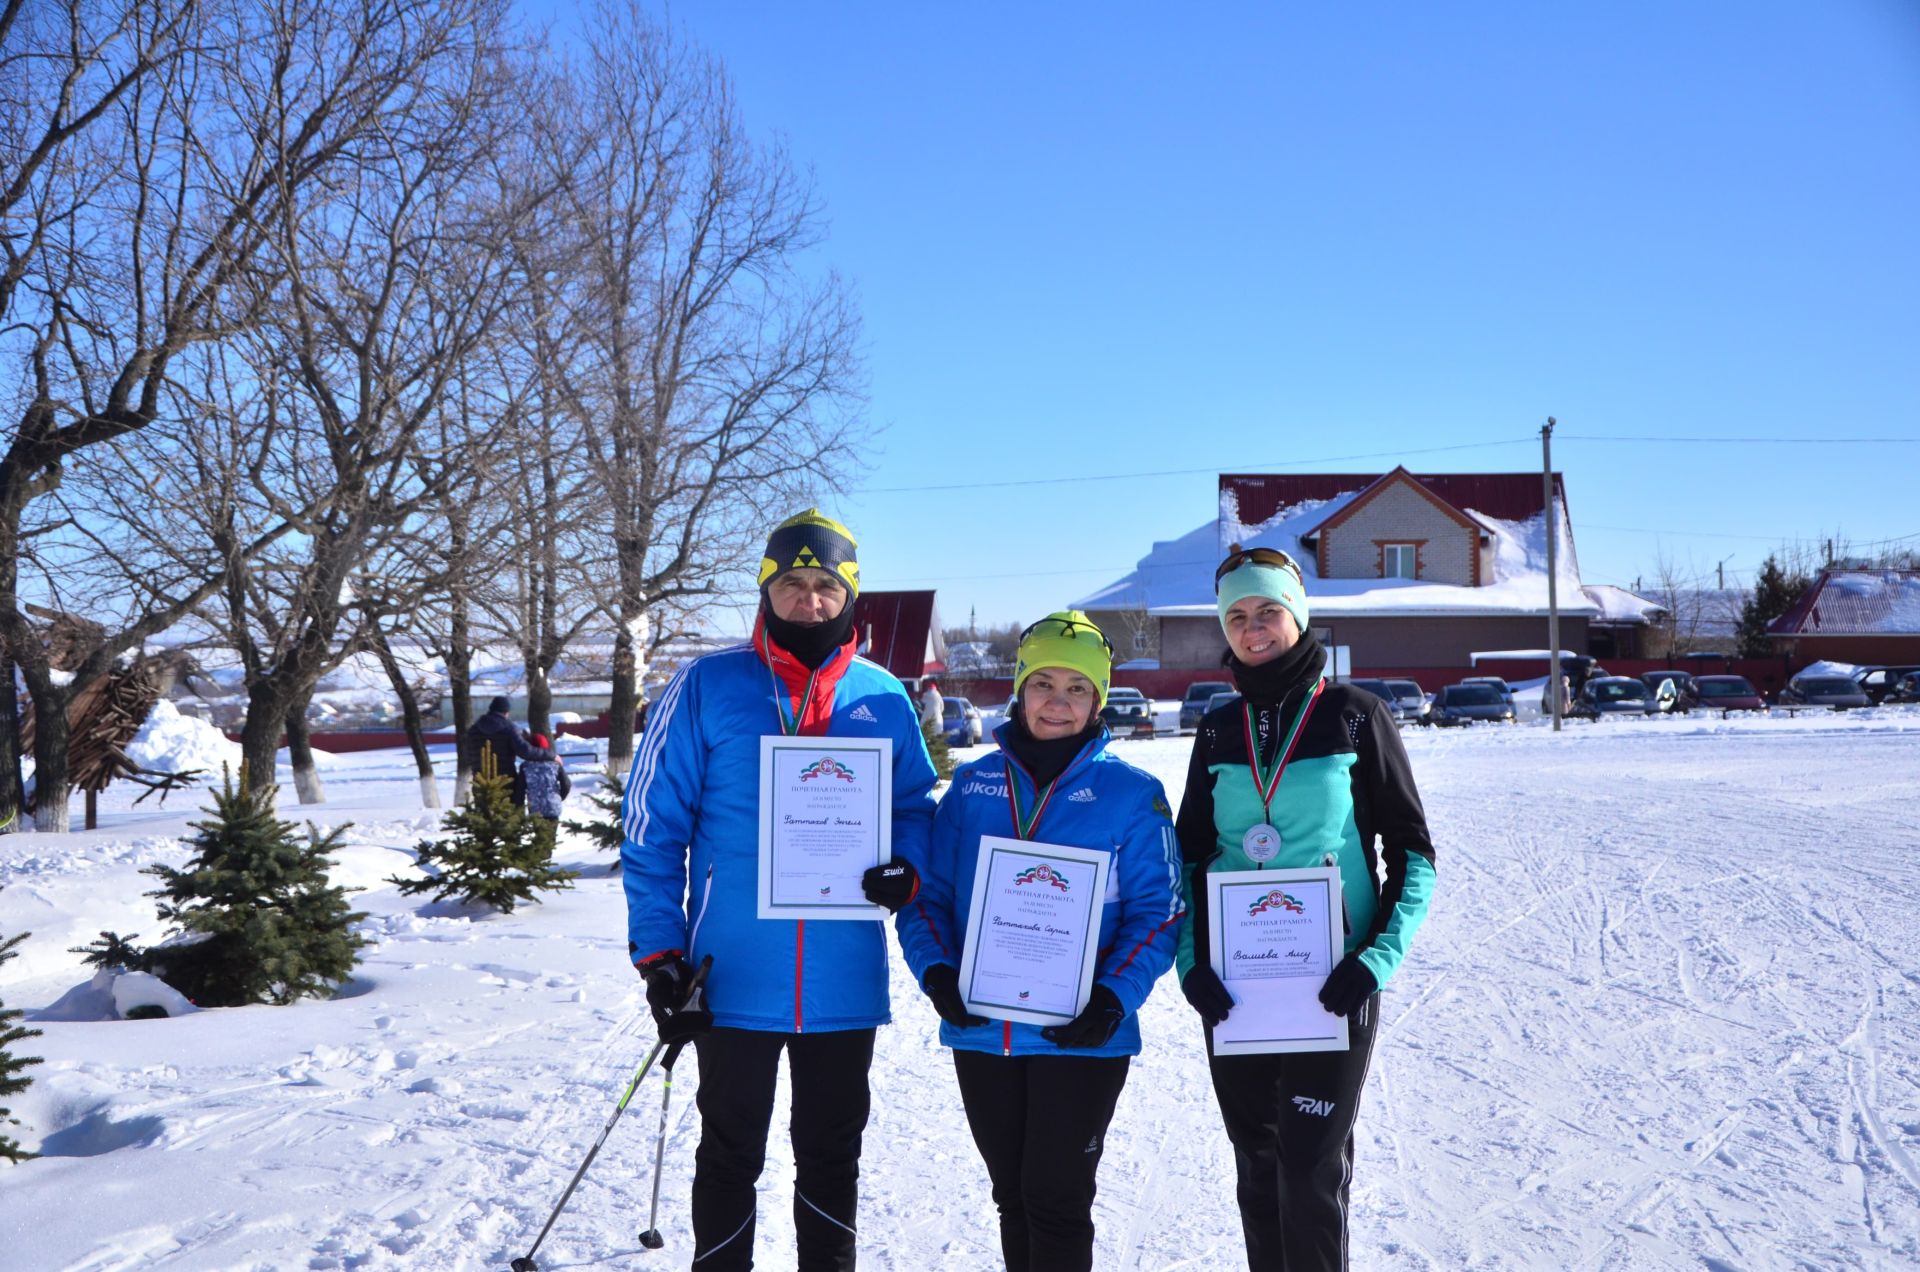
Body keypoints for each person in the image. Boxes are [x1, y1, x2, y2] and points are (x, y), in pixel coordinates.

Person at [621, 509, 938, 1271]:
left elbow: (915, 807)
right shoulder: (706, 686)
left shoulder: (884, 697)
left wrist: (907, 862)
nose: (809, 598)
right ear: (767, 589)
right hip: (733, 976)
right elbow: (651, 829)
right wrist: (660, 950)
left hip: (841, 979)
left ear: (849, 594)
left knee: (832, 1154)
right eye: (791, 582)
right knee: (730, 1151)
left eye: (825, 583)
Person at [896, 611, 1182, 1272]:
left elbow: (1161, 911)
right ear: (1020, 689)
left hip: (1081, 1034)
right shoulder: (971, 787)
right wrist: (937, 973)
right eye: (1044, 682)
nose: (1059, 701)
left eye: (1078, 688)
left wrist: (1112, 1000)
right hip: (982, 1029)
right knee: (1013, 1199)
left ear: (1098, 700)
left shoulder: (1133, 795)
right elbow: (928, 897)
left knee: (1056, 1199)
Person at [1175, 546, 1436, 1272]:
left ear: (1297, 616)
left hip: (1333, 987)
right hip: (1239, 991)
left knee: (1309, 1173)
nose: (1252, 629)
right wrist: (1192, 963)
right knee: (1258, 1171)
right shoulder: (1218, 728)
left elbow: (1413, 857)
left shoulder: (1356, 718)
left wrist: (1372, 961)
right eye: (1237, 616)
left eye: (1267, 612)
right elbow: (1191, 858)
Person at [469, 695, 539, 803]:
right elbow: (526, 752)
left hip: (481, 785)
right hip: (506, 784)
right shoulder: (509, 728)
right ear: (506, 712)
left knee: (484, 817)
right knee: (510, 816)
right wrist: (551, 755)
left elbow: (468, 754)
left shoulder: (474, 729)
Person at [519, 734, 572, 821]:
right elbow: (567, 784)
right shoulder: (555, 765)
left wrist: (519, 810)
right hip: (553, 808)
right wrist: (558, 798)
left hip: (535, 809)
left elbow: (520, 790)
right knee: (551, 834)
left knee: (540, 834)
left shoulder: (525, 767)